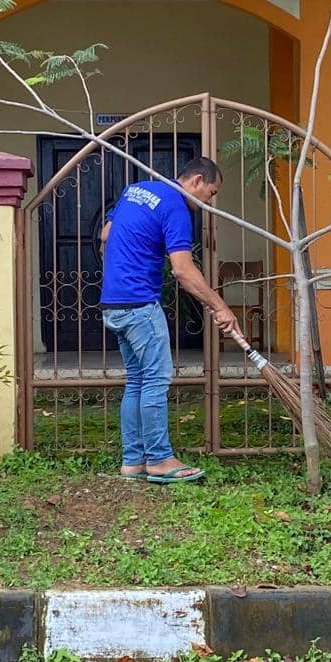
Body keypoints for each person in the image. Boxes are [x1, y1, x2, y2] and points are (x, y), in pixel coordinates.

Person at [99, 157, 239, 485]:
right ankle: (160, 459)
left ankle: (133, 462)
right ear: (197, 181)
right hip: (139, 303)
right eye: (211, 192)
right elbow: (182, 269)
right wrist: (220, 306)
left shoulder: (136, 190)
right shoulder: (176, 205)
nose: (209, 201)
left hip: (113, 301)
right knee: (156, 379)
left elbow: (106, 235)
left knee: (137, 379)